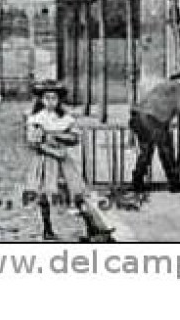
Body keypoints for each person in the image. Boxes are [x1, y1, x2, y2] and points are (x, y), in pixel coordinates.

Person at [25, 80, 114, 242]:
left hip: (64, 162)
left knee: (77, 192)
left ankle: (92, 227)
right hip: (45, 161)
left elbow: (74, 138)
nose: (50, 102)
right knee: (45, 194)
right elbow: (33, 142)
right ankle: (47, 228)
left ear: (59, 100)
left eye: (54, 98)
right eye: (47, 98)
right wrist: (50, 148)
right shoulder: (36, 119)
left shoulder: (65, 118)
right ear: (41, 100)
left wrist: (56, 136)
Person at [131, 72, 180, 193]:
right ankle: (174, 184)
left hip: (138, 116)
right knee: (167, 152)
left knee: (146, 152)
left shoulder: (164, 85)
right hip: (154, 119)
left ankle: (137, 182)